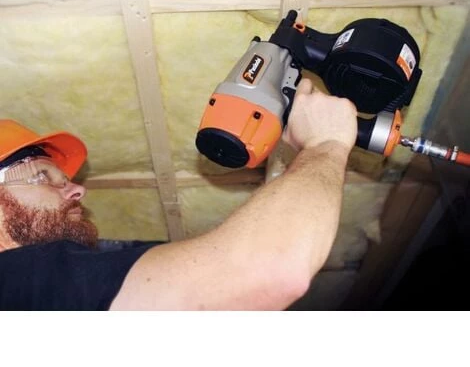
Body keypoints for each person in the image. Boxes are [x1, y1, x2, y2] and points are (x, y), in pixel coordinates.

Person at [0, 78, 357, 310]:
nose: (78, 189)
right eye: (43, 176)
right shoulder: (23, 276)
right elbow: (270, 268)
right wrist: (326, 143)